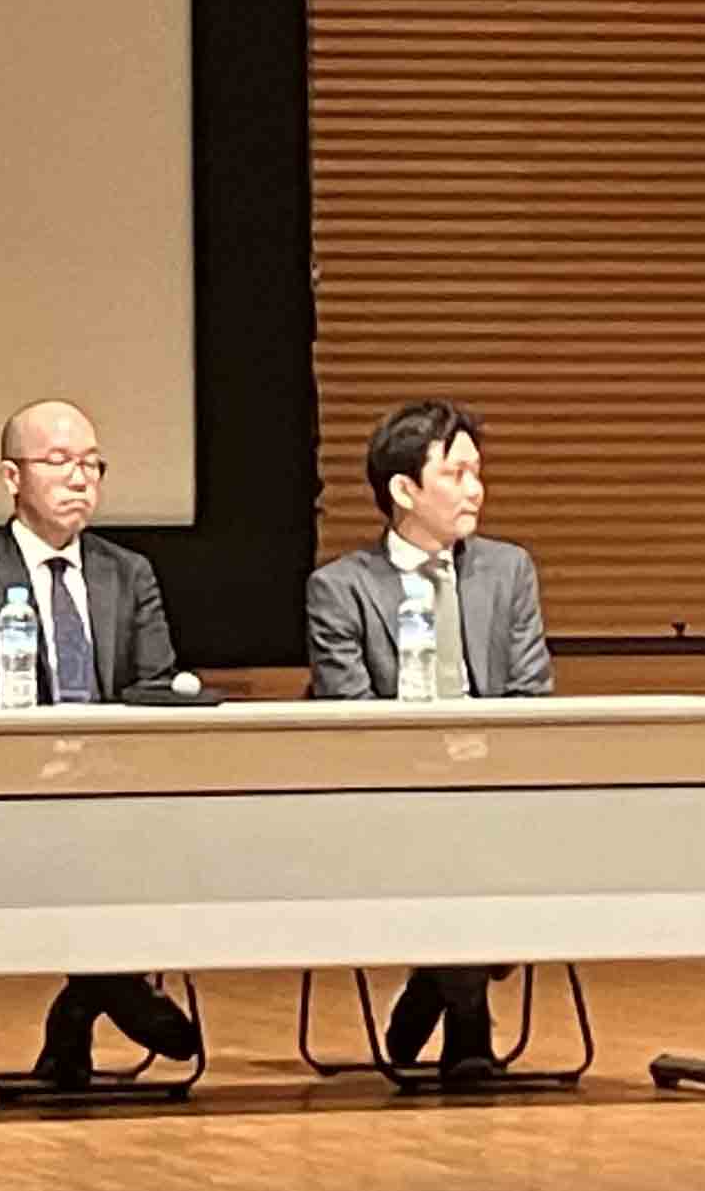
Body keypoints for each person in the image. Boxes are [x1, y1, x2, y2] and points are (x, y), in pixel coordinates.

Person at [0, 398, 202, 1086]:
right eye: (58, 461)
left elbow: (153, 687)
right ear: (11, 477)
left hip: (114, 788)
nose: (79, 478)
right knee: (79, 844)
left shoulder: (127, 572)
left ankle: (84, 1000)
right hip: (7, 789)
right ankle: (115, 988)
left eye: (91, 464)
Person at [304, 398, 552, 1084]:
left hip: (494, 789)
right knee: (458, 848)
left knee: (507, 843)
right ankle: (468, 1020)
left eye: (477, 472)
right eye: (455, 474)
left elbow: (531, 694)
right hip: (389, 799)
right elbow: (349, 717)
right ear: (404, 490)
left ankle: (434, 984)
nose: (475, 490)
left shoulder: (507, 571)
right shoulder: (341, 588)